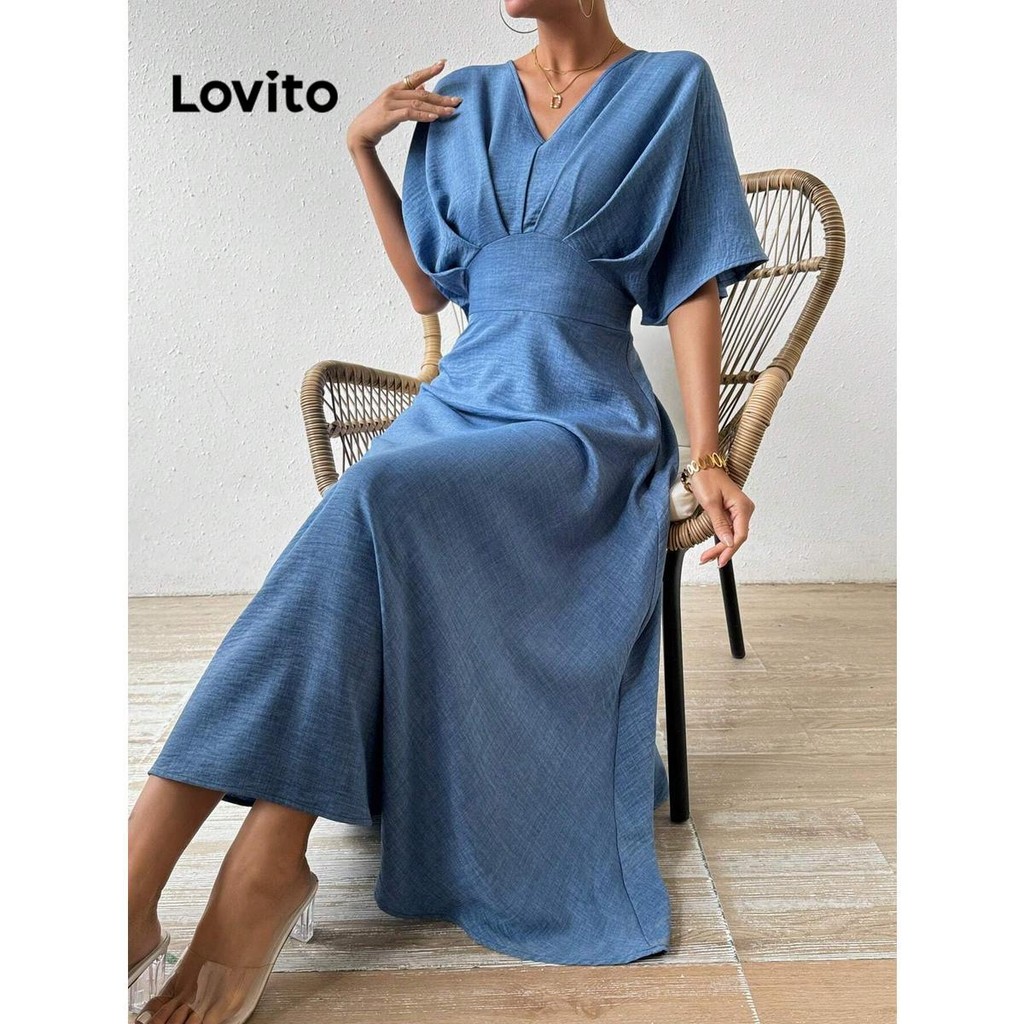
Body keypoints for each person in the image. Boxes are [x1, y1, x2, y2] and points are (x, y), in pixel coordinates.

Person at [128, 3, 767, 1021]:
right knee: (368, 512)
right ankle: (169, 872)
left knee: (375, 494)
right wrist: (360, 150)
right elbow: (432, 291)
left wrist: (707, 450)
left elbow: (693, 280)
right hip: (460, 399)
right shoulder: (460, 98)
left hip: (579, 419)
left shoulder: (672, 86)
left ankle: (210, 868)